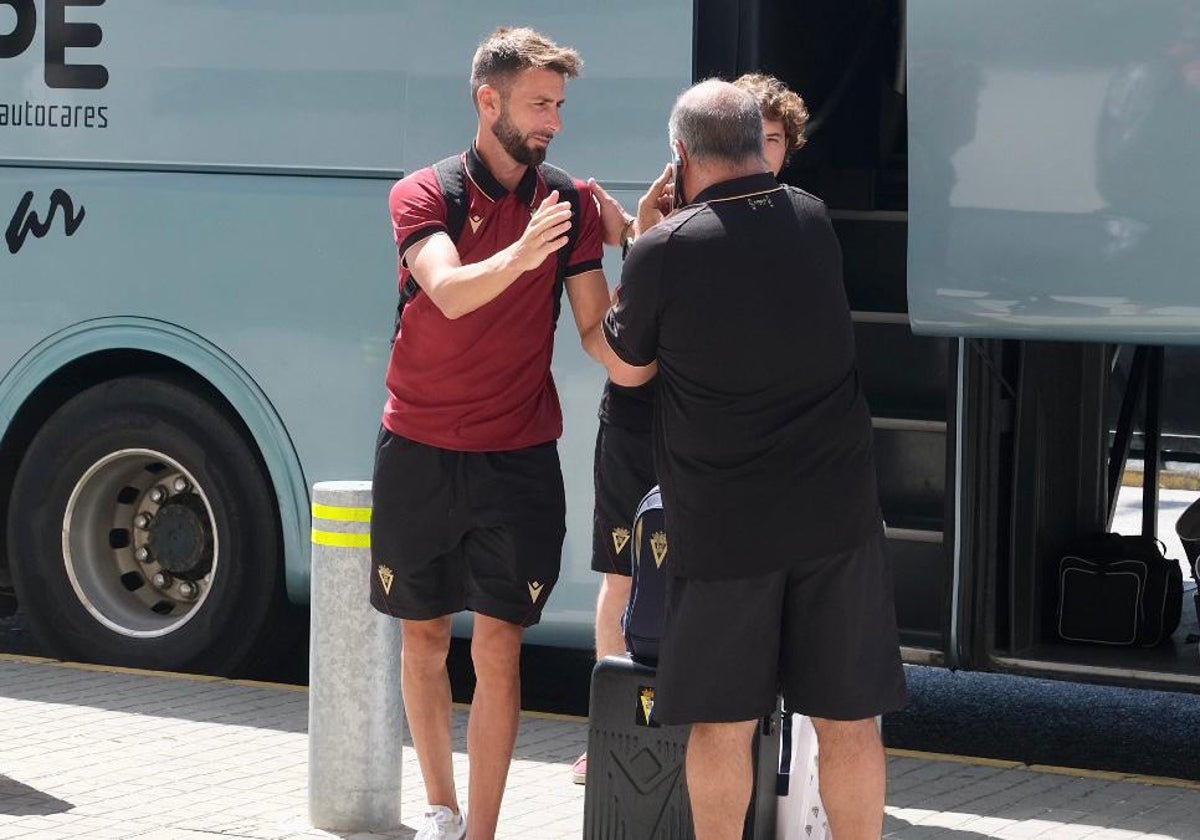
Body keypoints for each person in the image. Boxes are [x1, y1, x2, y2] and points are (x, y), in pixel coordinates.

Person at [594, 79, 908, 840]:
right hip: (836, 514)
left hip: (727, 526)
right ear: (755, 142)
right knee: (848, 719)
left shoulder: (667, 248)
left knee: (722, 724)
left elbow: (628, 367)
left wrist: (638, 243)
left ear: (681, 155)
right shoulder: (812, 218)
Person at [369, 26, 615, 840]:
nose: (554, 121)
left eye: (560, 105)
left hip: (517, 456)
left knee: (502, 647)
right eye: (540, 103)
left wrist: (647, 242)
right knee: (425, 637)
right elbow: (445, 290)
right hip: (419, 449)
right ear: (488, 100)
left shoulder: (568, 206)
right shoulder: (423, 192)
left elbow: (595, 332)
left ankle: (484, 832)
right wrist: (522, 254)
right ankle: (440, 810)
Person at [572, 72, 810, 786]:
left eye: (771, 142)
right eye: (749, 139)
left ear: (787, 151)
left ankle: (729, 736)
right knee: (624, 573)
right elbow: (634, 336)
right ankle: (615, 730)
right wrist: (639, 234)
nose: (757, 155)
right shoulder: (670, 209)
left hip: (714, 431)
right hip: (643, 420)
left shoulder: (794, 224)